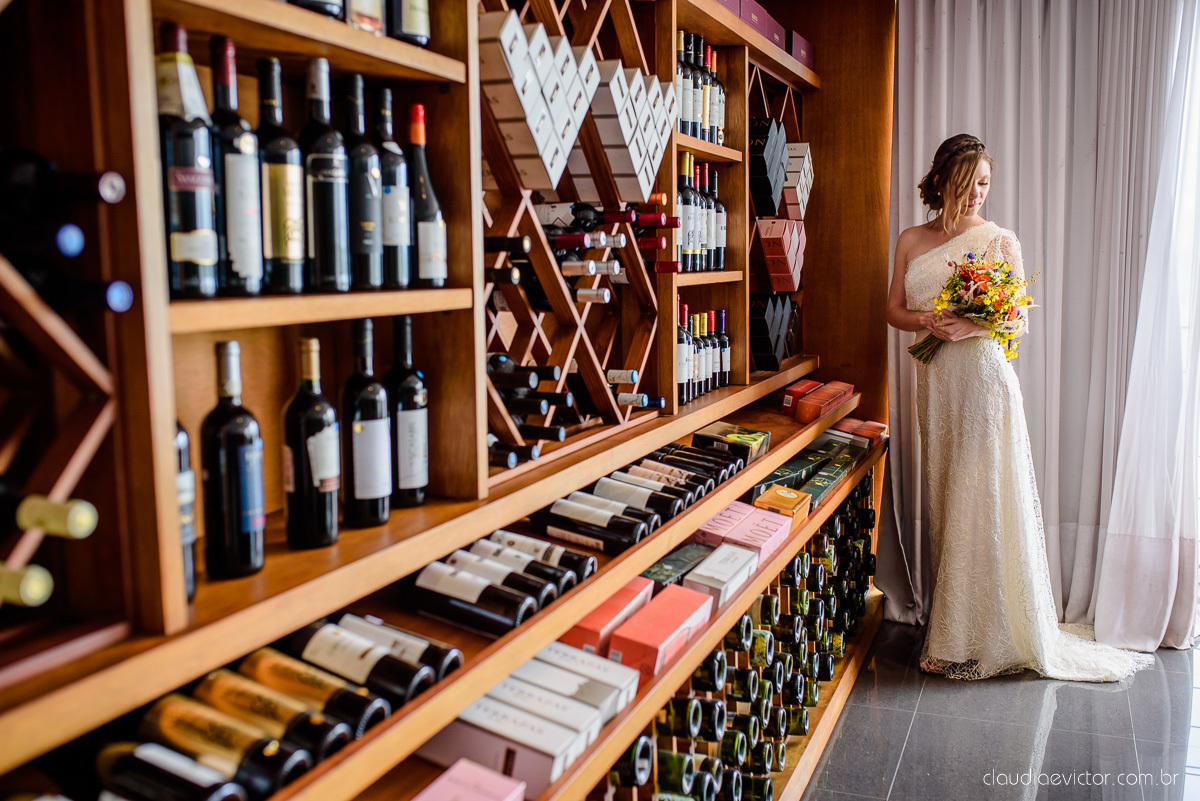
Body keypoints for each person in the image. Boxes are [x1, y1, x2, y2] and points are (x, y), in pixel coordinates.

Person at [885, 133, 1153, 681]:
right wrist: (928, 322)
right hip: (936, 385)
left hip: (984, 382)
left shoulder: (1000, 240)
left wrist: (971, 323)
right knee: (944, 497)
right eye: (968, 184)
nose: (978, 194)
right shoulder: (911, 239)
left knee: (978, 500)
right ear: (941, 183)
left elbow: (1018, 320)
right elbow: (893, 309)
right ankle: (954, 627)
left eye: (985, 183)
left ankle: (973, 640)